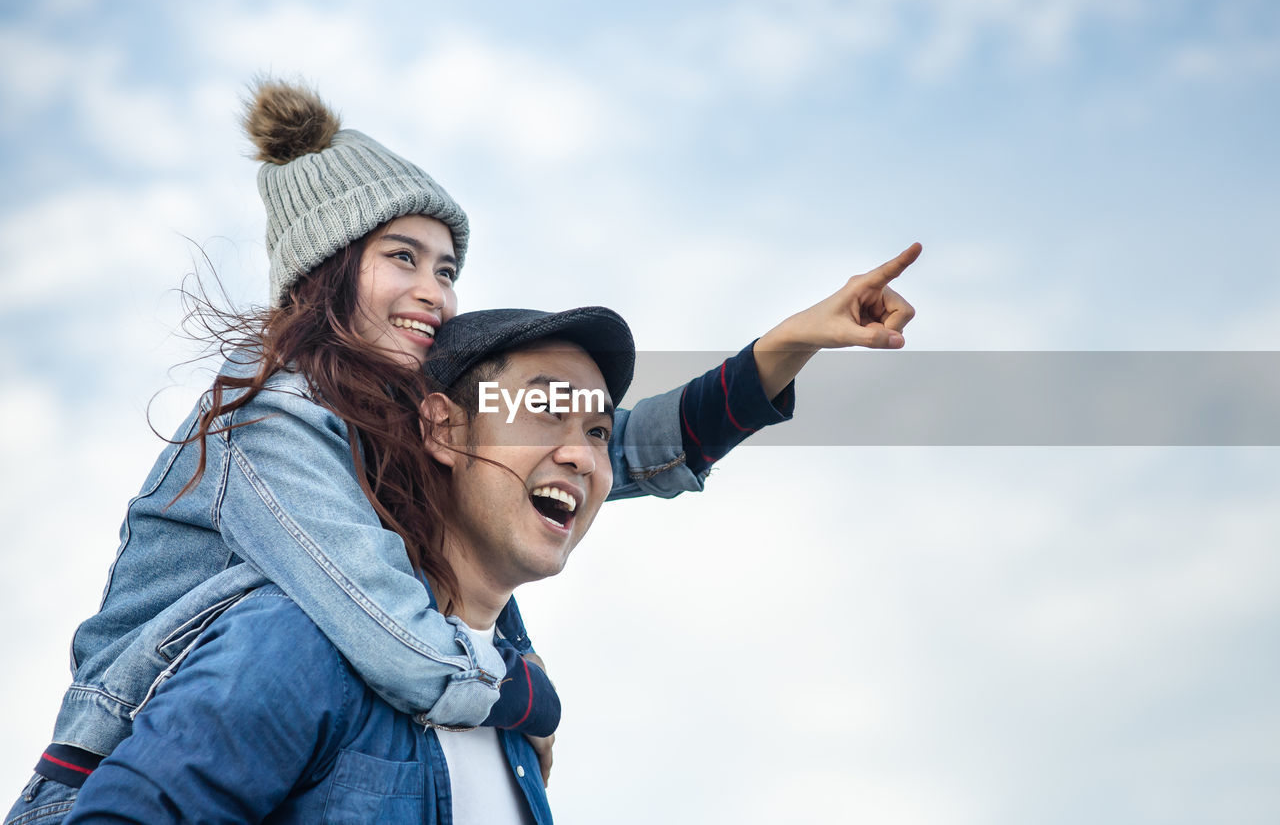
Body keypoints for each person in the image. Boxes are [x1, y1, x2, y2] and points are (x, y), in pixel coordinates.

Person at [6, 80, 919, 824]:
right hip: (112, 763)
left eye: (447, 269)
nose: (434, 293)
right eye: (403, 258)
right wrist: (524, 696)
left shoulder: (404, 422)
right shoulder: (268, 419)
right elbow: (396, 632)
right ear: (326, 271)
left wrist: (789, 345)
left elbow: (613, 447)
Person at [59, 306, 654, 823]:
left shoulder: (517, 727)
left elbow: (667, 437)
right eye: (545, 408)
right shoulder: (296, 640)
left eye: (598, 430)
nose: (581, 455)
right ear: (443, 429)